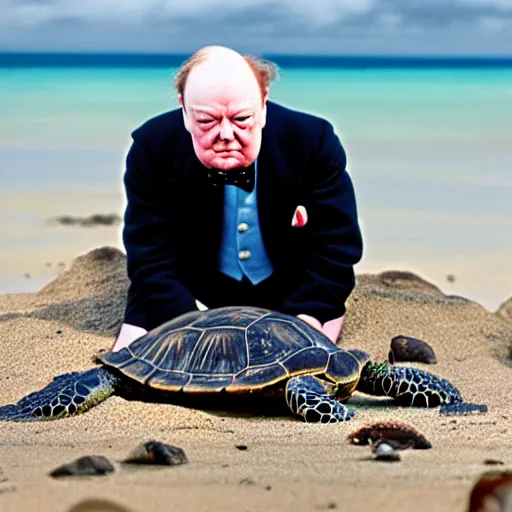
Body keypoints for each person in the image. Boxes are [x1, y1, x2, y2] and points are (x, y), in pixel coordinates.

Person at [113, 45, 363, 352]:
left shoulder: (313, 142)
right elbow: (149, 255)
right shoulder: (152, 148)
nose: (226, 134)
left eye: (242, 118)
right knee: (131, 369)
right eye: (206, 121)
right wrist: (191, 329)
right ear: (184, 110)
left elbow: (337, 247)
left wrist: (306, 314)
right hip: (189, 291)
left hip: (294, 292)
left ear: (264, 104)